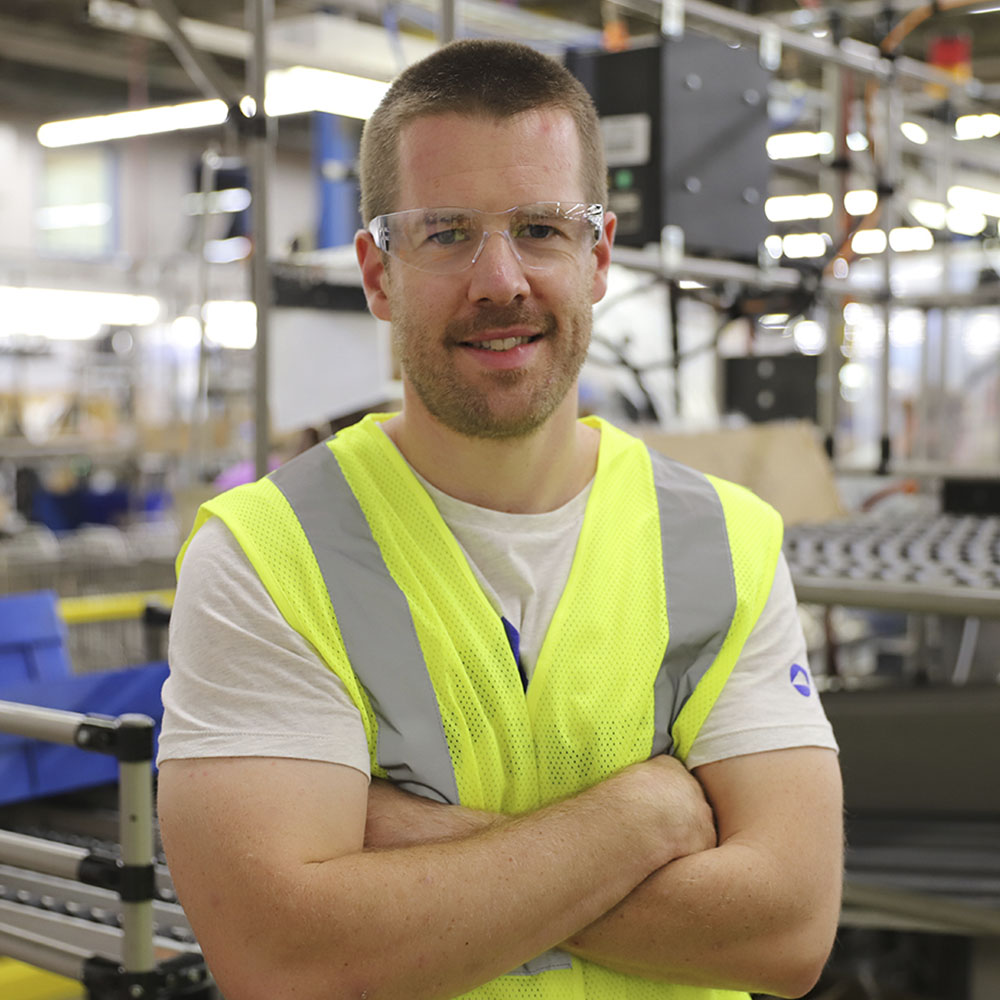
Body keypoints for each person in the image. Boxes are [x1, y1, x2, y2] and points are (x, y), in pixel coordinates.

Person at [157, 38, 843, 1000]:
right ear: (378, 272)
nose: (501, 280)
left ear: (597, 256)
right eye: (445, 233)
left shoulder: (727, 545)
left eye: (539, 229)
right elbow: (285, 955)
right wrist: (642, 819)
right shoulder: (267, 556)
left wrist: (401, 838)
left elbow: (787, 928)